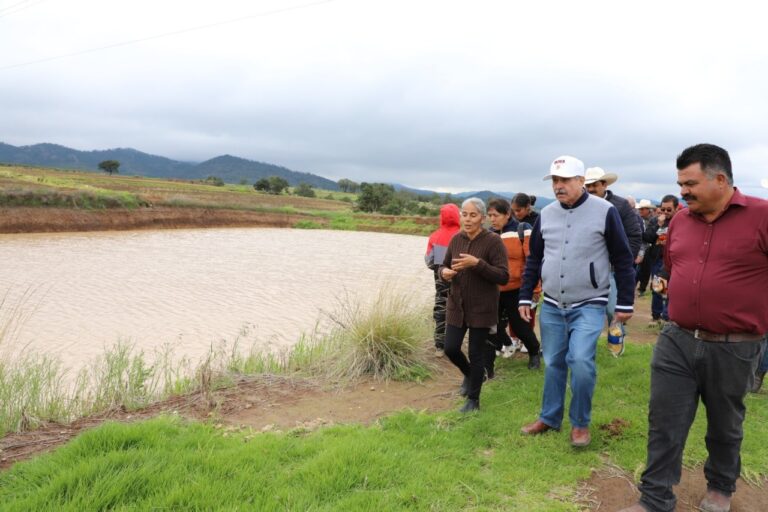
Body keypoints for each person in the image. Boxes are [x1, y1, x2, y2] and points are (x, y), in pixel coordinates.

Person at [619, 144, 768, 512]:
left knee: (724, 424)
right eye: (680, 183)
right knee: (664, 421)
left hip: (735, 344)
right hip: (677, 338)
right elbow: (672, 267)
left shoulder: (763, 217)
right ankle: (655, 498)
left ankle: (720, 487)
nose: (682, 191)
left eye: (690, 183)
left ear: (720, 179)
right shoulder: (681, 221)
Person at [519, 156, 635, 447]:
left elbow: (623, 258)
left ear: (581, 181)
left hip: (590, 302)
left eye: (565, 180)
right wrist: (524, 295)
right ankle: (549, 417)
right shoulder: (546, 214)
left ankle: (580, 424)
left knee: (581, 361)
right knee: (554, 361)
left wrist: (625, 302)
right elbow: (534, 258)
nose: (559, 186)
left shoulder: (605, 211)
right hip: (553, 303)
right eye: (555, 181)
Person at [439, 197, 509, 413]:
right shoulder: (456, 240)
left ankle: (473, 400)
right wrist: (444, 273)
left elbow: (503, 276)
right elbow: (442, 265)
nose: (467, 219)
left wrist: (477, 264)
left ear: (483, 218)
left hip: (482, 307)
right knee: (450, 348)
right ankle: (470, 375)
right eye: (464, 214)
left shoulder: (493, 241)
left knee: (476, 353)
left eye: (473, 215)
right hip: (456, 306)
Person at [585, 167, 642, 356]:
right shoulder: (582, 205)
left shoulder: (620, 205)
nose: (591, 189)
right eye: (588, 185)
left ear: (604, 184)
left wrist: (624, 261)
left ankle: (616, 343)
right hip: (587, 266)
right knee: (588, 308)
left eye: (594, 185)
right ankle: (585, 349)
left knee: (612, 309)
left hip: (612, 266)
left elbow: (634, 234)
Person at [484, 197, 541, 377]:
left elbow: (532, 260)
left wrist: (535, 289)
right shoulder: (488, 234)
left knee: (520, 326)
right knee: (491, 326)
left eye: (496, 215)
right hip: (493, 289)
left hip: (517, 289)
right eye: (489, 215)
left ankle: (534, 352)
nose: (492, 219)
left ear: (507, 214)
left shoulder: (522, 230)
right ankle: (490, 364)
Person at [424, 203, 461, 356]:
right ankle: (456, 345)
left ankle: (440, 346)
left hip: (441, 280)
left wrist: (440, 268)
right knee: (461, 310)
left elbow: (429, 261)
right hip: (462, 281)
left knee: (441, 309)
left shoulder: (435, 236)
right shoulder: (463, 235)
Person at [642, 194, 679, 328]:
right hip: (658, 260)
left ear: (676, 209)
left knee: (673, 289)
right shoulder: (655, 221)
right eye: (663, 209)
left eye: (669, 210)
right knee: (658, 289)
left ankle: (667, 316)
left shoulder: (680, 221)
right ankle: (656, 315)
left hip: (675, 261)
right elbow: (647, 238)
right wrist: (658, 225)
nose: (665, 212)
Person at [634, 199, 656, 295]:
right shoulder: (638, 219)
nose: (641, 211)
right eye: (640, 209)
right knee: (639, 270)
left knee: (646, 271)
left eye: (643, 209)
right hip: (641, 247)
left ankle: (642, 289)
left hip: (650, 248)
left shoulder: (654, 221)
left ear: (648, 210)